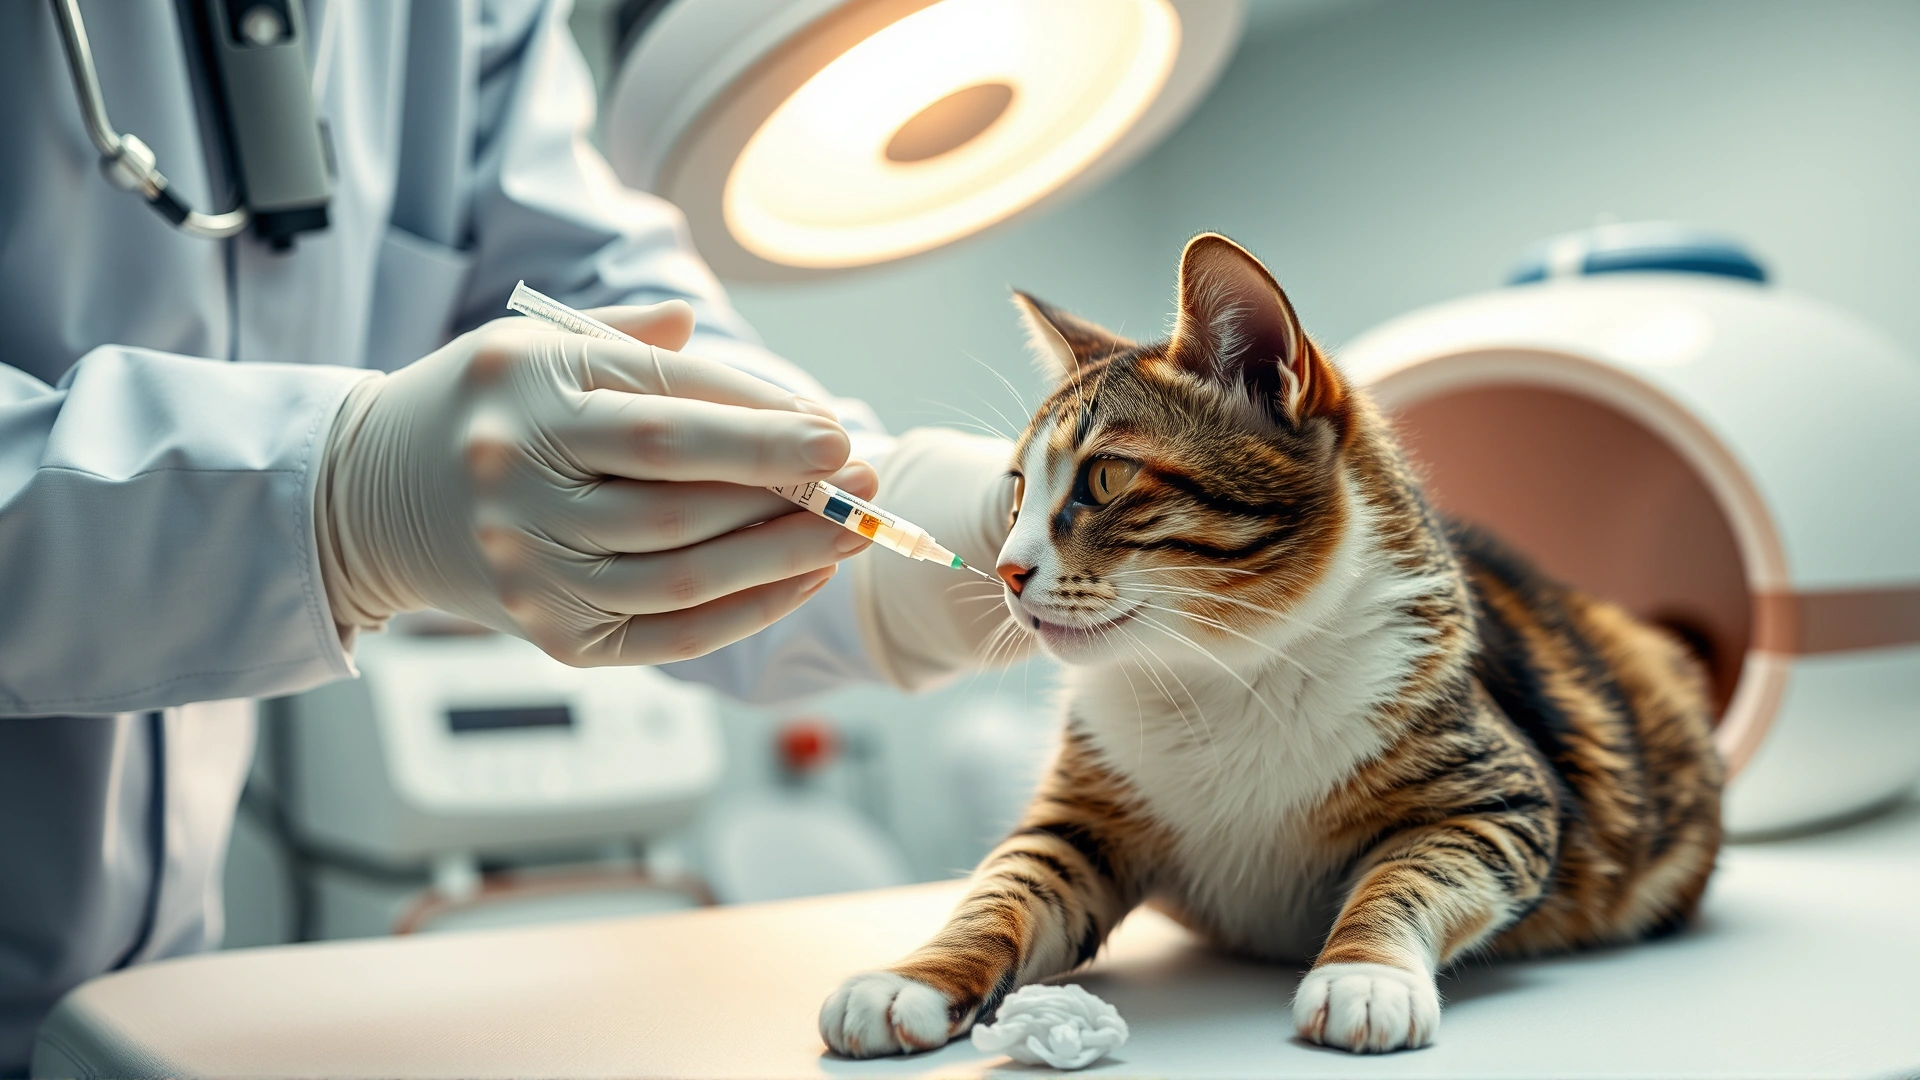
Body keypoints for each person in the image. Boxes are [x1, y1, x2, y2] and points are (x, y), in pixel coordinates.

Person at [0, 1, 1018, 1070]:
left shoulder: (461, 20)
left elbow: (648, 355)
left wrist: (954, 511)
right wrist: (342, 501)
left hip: (152, 1006)